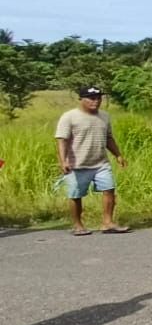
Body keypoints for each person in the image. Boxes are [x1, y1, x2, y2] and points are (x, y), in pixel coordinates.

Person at [54, 86, 128, 235]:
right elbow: (62, 140)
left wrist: (118, 155)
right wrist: (63, 161)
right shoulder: (69, 117)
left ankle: (107, 223)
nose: (96, 101)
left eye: (99, 98)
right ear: (81, 99)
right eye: (92, 98)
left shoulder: (104, 116)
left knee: (109, 190)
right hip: (77, 164)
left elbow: (108, 137)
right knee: (76, 195)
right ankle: (78, 225)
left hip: (100, 163)